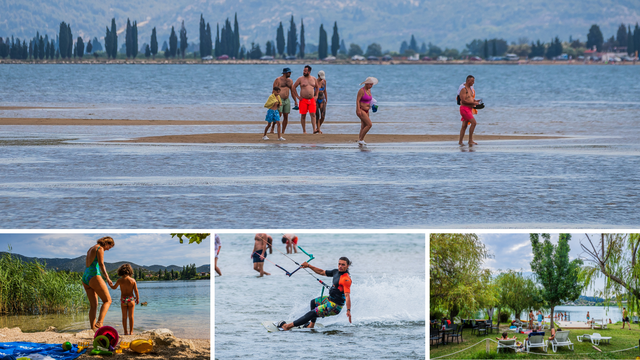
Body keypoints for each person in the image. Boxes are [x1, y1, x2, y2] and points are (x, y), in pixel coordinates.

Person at [280, 257, 352, 330]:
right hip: (330, 300)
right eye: (339, 264)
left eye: (343, 265)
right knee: (313, 302)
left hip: (334, 306)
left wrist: (348, 310)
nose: (340, 266)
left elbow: (347, 296)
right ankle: (311, 325)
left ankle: (287, 326)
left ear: (347, 266)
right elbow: (321, 272)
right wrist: (309, 266)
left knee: (312, 313)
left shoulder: (346, 279)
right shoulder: (336, 272)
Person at [81, 236, 115, 331]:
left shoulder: (90, 249)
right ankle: (100, 322)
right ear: (107, 243)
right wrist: (107, 278)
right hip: (94, 275)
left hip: (85, 277)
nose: (108, 249)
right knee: (108, 300)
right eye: (109, 247)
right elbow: (101, 264)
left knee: (93, 306)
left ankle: (92, 329)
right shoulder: (100, 248)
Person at [109, 264, 139, 335]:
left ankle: (125, 332)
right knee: (131, 317)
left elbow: (114, 287)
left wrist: (110, 284)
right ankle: (131, 332)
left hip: (123, 300)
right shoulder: (132, 280)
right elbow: (136, 291)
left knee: (124, 317)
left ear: (121, 271)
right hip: (131, 299)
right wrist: (137, 298)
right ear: (130, 271)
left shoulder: (120, 280)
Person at [292, 65, 319, 134]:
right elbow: (293, 87)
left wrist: (316, 95)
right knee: (303, 115)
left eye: (305, 71)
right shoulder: (300, 79)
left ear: (309, 72)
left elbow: (317, 87)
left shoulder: (314, 79)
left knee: (313, 114)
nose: (304, 72)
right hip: (303, 99)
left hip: (312, 99)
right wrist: (297, 96)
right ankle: (304, 130)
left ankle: (314, 129)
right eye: (303, 71)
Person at [458, 75, 481, 146]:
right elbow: (463, 101)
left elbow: (470, 98)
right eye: (472, 81)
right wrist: (474, 103)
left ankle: (460, 142)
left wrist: (475, 101)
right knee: (474, 123)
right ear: (468, 81)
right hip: (464, 109)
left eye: (473, 81)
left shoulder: (470, 88)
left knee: (464, 125)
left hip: (469, 108)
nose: (473, 83)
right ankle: (470, 140)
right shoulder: (463, 89)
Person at [273, 68, 298, 134]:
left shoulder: (290, 81)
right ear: (284, 73)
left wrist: (295, 100)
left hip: (286, 100)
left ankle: (283, 131)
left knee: (286, 115)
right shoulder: (278, 80)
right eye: (288, 72)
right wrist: (275, 100)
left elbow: (292, 91)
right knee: (279, 114)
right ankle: (272, 127)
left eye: (290, 72)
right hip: (279, 99)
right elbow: (274, 91)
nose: (290, 74)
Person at [356, 77, 378, 146]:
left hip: (367, 110)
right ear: (366, 84)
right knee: (369, 125)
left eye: (372, 85)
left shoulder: (369, 90)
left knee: (363, 126)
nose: (371, 86)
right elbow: (357, 100)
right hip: (361, 110)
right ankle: (361, 140)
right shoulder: (361, 90)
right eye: (370, 84)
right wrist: (358, 110)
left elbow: (370, 100)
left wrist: (373, 106)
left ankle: (360, 141)